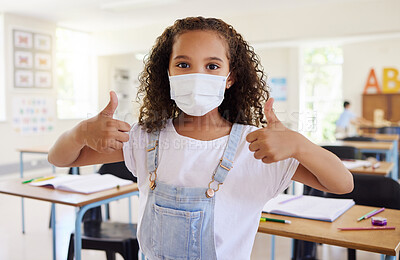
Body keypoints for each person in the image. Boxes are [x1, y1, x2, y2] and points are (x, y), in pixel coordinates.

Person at [48, 17, 353, 260]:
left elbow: (341, 183)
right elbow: (61, 158)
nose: (197, 75)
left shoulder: (255, 145)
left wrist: (300, 144)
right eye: (183, 64)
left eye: (212, 66)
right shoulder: (146, 138)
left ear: (230, 77)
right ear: (166, 73)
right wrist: (79, 133)